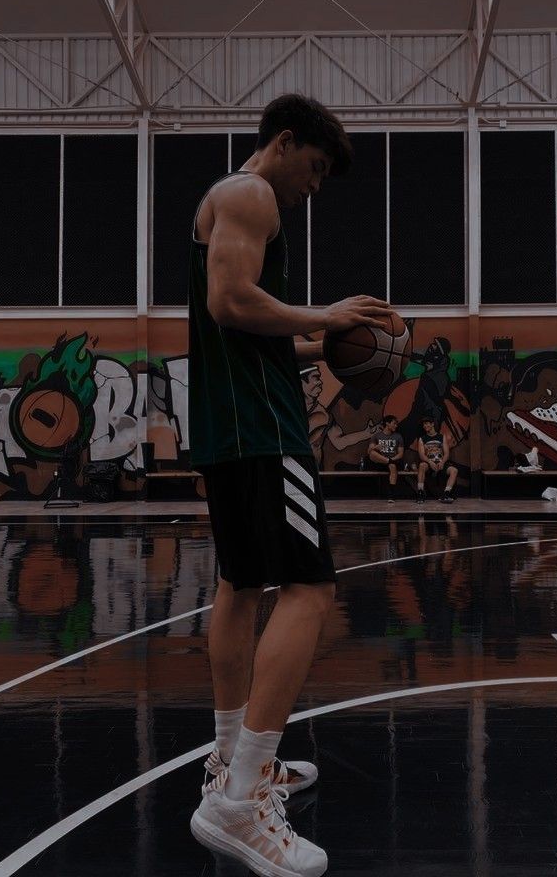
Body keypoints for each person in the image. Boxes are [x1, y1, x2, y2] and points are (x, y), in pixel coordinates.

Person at [187, 93, 392, 877]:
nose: (311, 189)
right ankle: (239, 804)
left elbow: (245, 330)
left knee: (241, 585)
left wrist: (329, 345)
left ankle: (235, 760)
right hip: (263, 432)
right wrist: (327, 309)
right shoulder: (249, 194)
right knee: (309, 590)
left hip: (231, 421)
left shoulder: (236, 203)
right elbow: (230, 300)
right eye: (312, 169)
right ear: (282, 143)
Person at [416, 415, 458, 503]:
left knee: (454, 470)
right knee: (422, 465)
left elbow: (446, 453)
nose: (425, 426)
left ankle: (446, 494)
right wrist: (430, 462)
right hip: (429, 463)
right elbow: (421, 455)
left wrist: (442, 462)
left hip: (440, 463)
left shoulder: (441, 437)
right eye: (424, 425)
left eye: (427, 424)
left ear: (432, 424)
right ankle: (420, 493)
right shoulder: (422, 439)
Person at [367, 415, 404, 502]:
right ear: (387, 423)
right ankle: (387, 461)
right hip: (380, 461)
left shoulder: (398, 436)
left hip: (393, 461)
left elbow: (400, 454)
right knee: (372, 453)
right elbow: (369, 451)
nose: (396, 426)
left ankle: (391, 495)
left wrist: (392, 460)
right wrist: (376, 447)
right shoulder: (376, 436)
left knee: (392, 466)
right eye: (394, 423)